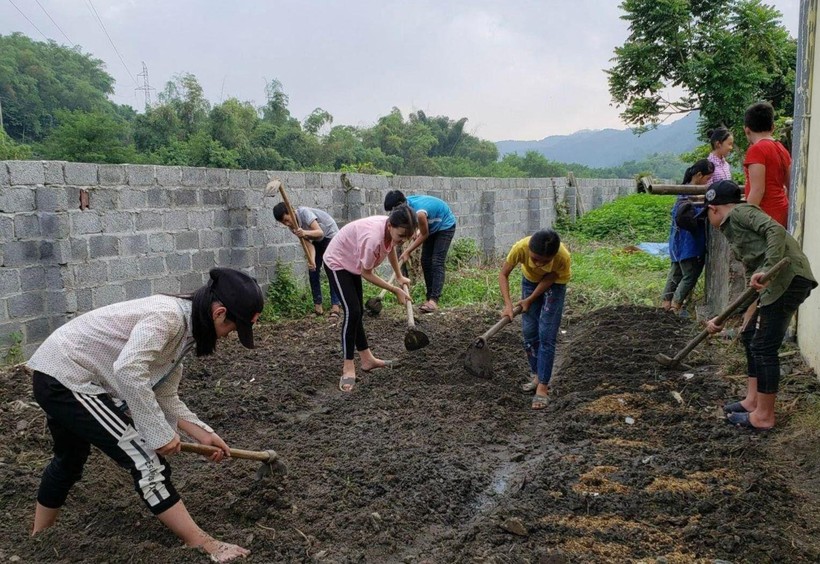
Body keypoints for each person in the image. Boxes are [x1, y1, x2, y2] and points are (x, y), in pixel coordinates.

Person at [27, 268, 264, 562]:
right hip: (68, 378)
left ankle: (39, 541)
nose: (229, 336)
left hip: (57, 374)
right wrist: (158, 434)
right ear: (220, 313)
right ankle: (203, 543)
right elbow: (128, 371)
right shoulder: (167, 317)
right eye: (233, 328)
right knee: (145, 458)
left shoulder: (185, 331)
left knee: (69, 460)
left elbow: (164, 393)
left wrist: (203, 433)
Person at [701, 180, 816, 431]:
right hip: (776, 283)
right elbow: (754, 281)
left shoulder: (742, 212)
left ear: (714, 209)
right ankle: (753, 401)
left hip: (787, 277)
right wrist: (737, 316)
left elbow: (774, 231)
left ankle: (763, 416)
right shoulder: (734, 231)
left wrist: (766, 268)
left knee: (764, 346)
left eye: (707, 213)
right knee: (750, 334)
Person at [323, 205, 417, 392]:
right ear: (390, 226)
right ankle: (348, 366)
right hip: (337, 262)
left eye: (406, 238)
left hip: (351, 263)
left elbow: (391, 247)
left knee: (356, 312)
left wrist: (398, 276)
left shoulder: (389, 231)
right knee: (352, 311)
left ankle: (367, 360)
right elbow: (367, 273)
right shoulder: (373, 238)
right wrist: (394, 290)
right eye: (401, 236)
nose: (402, 241)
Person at [499, 228, 571, 410]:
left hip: (554, 285)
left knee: (546, 333)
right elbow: (503, 274)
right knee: (529, 332)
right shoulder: (520, 248)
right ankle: (537, 375)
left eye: (545, 261)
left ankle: (543, 386)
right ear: (529, 249)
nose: (538, 264)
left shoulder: (562, 257)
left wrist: (530, 300)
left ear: (553, 256)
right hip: (529, 281)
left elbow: (551, 278)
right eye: (535, 259)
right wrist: (508, 305)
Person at [383, 190, 457, 313]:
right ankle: (429, 298)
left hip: (445, 224)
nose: (393, 213)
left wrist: (407, 251)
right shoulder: (406, 208)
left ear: (401, 204)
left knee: (436, 261)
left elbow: (424, 234)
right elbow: (419, 229)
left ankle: (433, 300)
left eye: (393, 210)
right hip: (431, 225)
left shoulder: (419, 213)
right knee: (425, 261)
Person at [661, 159, 715, 316]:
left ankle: (665, 303)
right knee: (690, 275)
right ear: (699, 175)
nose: (708, 182)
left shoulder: (682, 191)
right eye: (708, 178)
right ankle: (675, 306)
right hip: (689, 242)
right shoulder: (694, 194)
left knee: (676, 272)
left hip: (678, 241)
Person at [273, 202, 342, 321]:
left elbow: (319, 232)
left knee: (330, 269)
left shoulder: (304, 213)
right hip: (316, 240)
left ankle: (335, 307)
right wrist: (312, 261)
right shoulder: (293, 227)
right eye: (283, 223)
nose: (287, 224)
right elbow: (309, 245)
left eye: (286, 219)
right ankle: (318, 308)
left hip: (330, 235)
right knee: (313, 271)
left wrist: (304, 232)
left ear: (291, 210)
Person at [743, 101, 791, 227]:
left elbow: (758, 190)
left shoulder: (756, 150)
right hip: (782, 212)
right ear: (773, 127)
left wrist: (745, 220)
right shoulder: (781, 148)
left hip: (764, 217)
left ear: (747, 130)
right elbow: (790, 185)